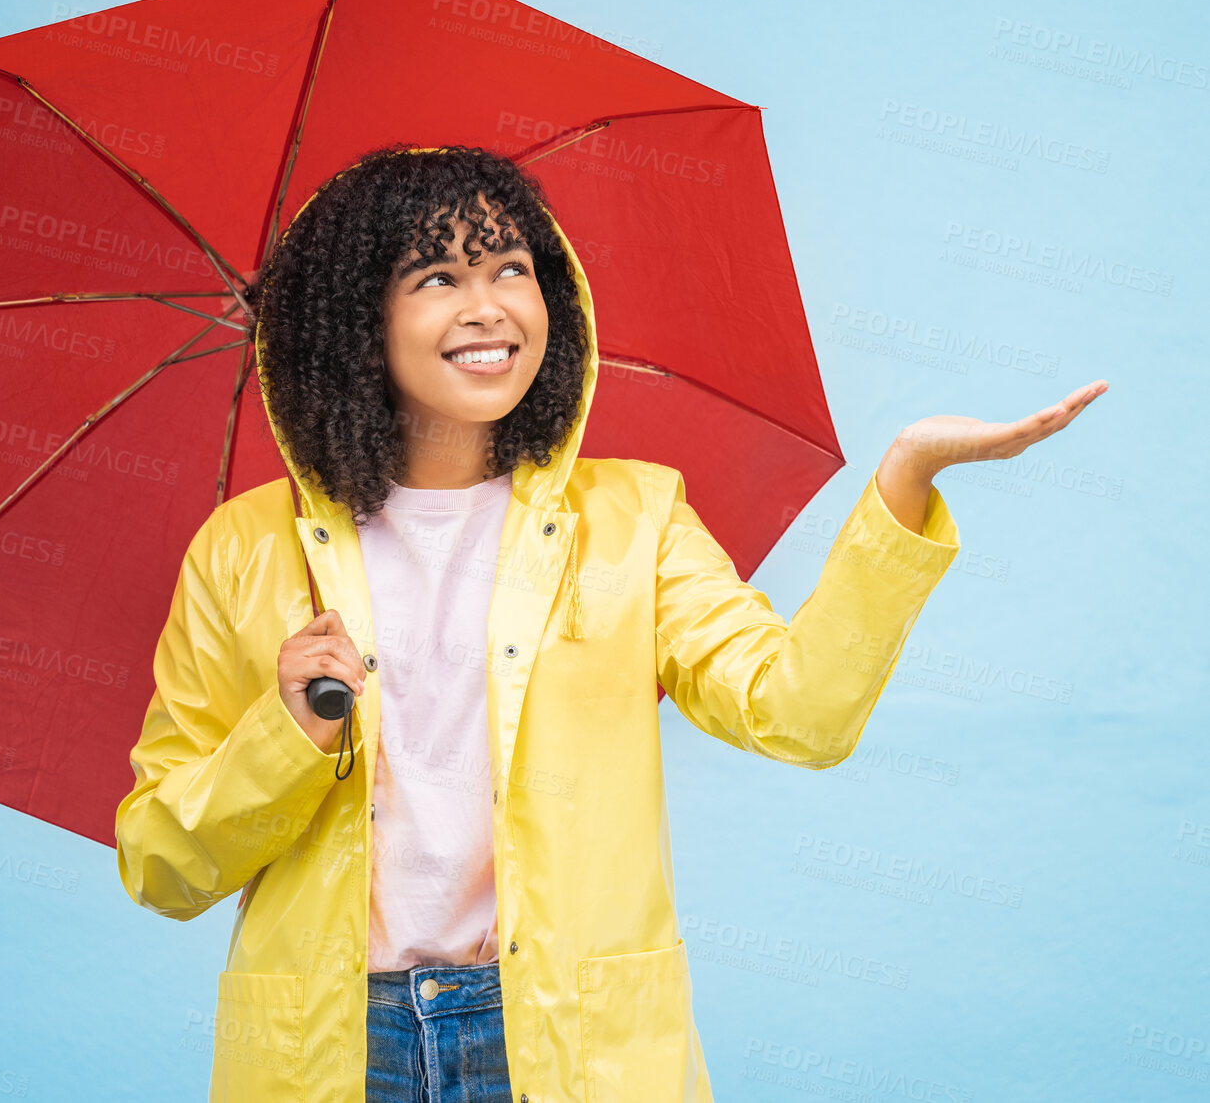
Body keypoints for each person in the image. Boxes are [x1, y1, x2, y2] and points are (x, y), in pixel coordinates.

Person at [115, 145, 1106, 1103]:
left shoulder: (636, 519)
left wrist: (904, 480)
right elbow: (160, 861)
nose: (490, 306)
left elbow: (802, 710)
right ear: (356, 317)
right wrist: (283, 733)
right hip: (327, 1047)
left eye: (513, 268)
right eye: (438, 278)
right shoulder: (244, 549)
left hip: (556, 1034)